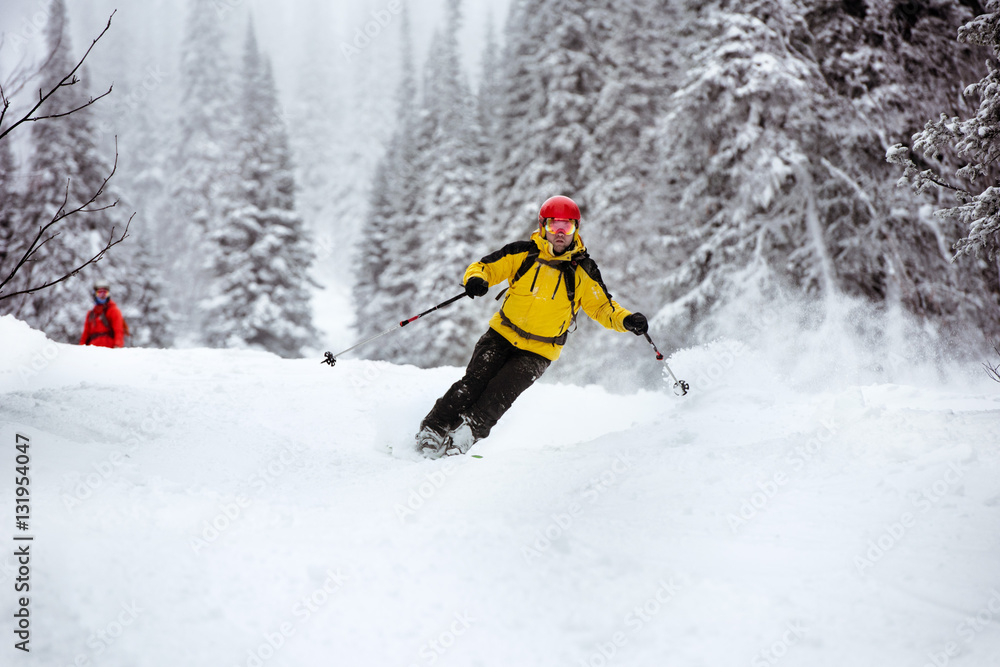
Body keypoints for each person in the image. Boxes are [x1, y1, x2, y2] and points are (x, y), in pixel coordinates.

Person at [415, 195, 648, 458]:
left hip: (539, 350)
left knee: (499, 395)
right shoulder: (522, 253)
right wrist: (477, 280)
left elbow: (603, 307)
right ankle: (433, 428)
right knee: (474, 382)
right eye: (553, 226)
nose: (560, 234)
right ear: (542, 226)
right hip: (501, 334)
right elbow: (484, 267)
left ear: (576, 230)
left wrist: (627, 320)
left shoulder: (583, 270)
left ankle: (465, 435)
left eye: (567, 227)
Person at [79, 281, 126, 348]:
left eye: (105, 293)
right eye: (100, 293)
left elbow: (118, 330)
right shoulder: (91, 314)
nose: (103, 296)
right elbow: (85, 334)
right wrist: (81, 348)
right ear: (95, 294)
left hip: (108, 349)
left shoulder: (113, 311)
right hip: (91, 350)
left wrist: (118, 346)